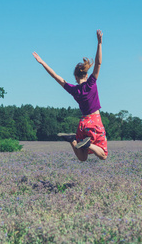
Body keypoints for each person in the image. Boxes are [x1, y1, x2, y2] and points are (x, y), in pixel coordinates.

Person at [32, 30, 108, 161]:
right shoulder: (91, 83)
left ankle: (73, 140)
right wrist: (99, 43)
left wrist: (42, 62)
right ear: (86, 74)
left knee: (82, 157)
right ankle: (89, 144)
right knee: (103, 155)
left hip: (83, 123)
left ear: (75, 77)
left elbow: (56, 77)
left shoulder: (74, 90)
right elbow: (98, 62)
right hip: (95, 122)